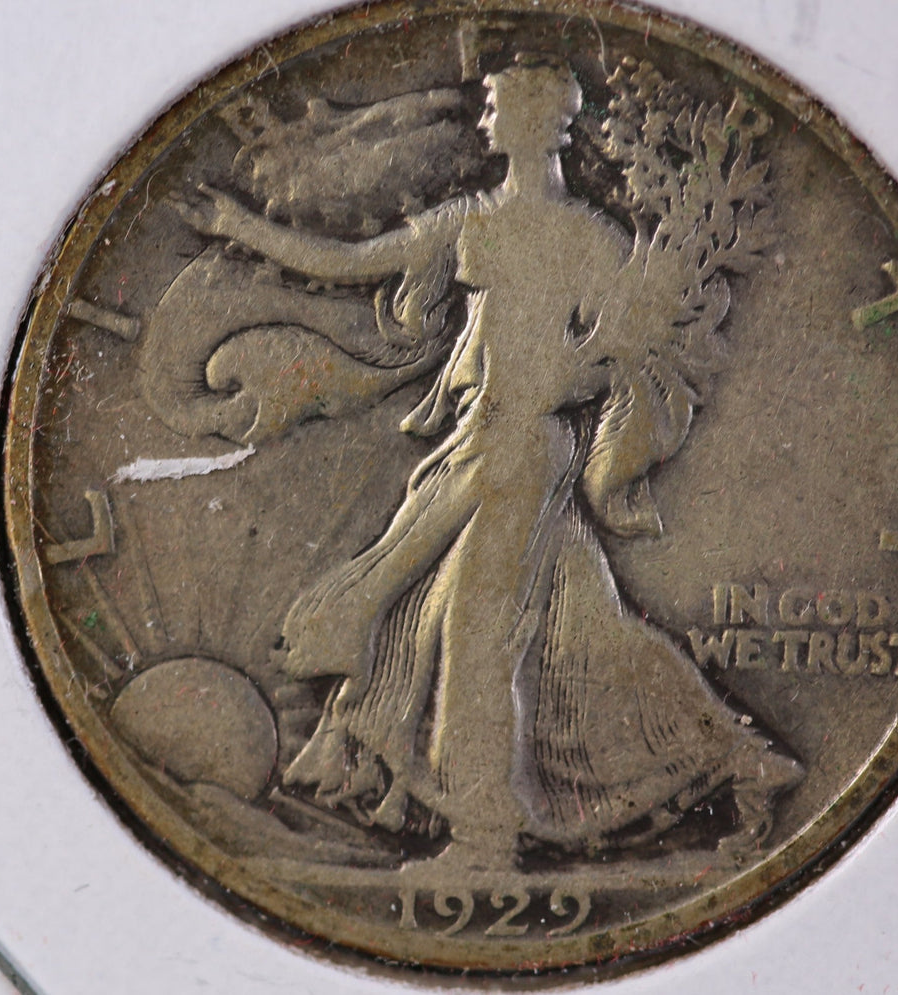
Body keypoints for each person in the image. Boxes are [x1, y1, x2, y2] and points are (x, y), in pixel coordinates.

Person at [176, 60, 802, 869]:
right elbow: (355, 262)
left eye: (497, 107)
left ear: (539, 123)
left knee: (473, 637)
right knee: (582, 630)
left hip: (528, 448)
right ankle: (742, 761)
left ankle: (484, 837)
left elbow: (631, 353)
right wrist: (243, 227)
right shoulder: (472, 217)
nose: (484, 122)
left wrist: (569, 378)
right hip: (483, 441)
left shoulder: (590, 238)